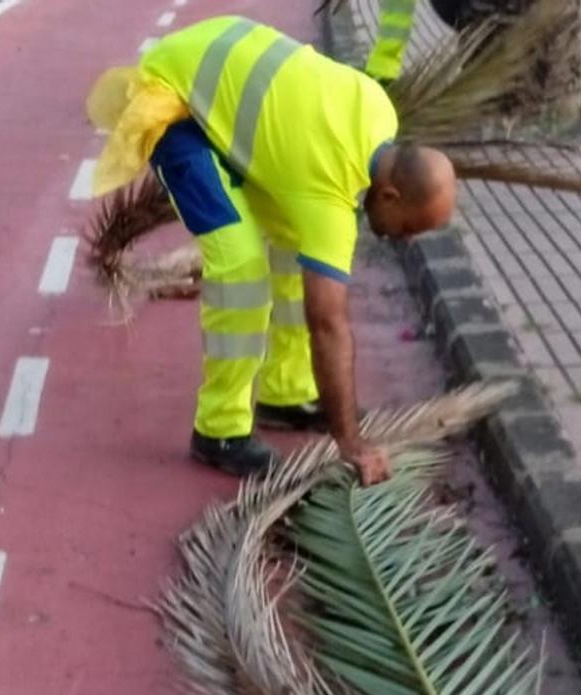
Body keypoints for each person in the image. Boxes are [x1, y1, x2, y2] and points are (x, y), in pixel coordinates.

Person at [89, 16, 456, 485]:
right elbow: (328, 323)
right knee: (240, 264)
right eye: (408, 228)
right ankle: (219, 430)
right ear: (388, 196)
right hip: (176, 101)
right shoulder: (330, 197)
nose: (404, 238)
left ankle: (284, 393)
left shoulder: (380, 112)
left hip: (219, 57)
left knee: (289, 241)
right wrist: (350, 440)